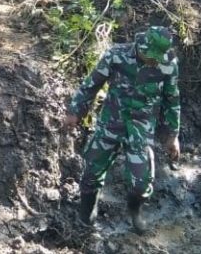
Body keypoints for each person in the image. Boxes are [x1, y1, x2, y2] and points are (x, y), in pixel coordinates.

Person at [63, 26, 181, 233]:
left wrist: (172, 135)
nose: (153, 60)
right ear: (139, 45)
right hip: (111, 122)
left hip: (140, 129)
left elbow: (172, 101)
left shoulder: (168, 65)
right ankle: (87, 213)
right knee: (92, 169)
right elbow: (91, 85)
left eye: (157, 57)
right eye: (149, 55)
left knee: (141, 181)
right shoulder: (116, 56)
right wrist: (75, 110)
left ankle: (136, 212)